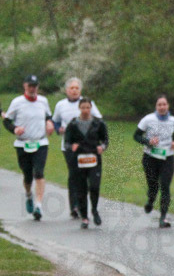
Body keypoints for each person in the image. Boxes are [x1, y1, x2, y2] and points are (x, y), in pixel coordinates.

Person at [4, 75, 55, 220]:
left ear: (37, 87)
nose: (33, 88)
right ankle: (28, 194)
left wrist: (49, 123)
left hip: (40, 142)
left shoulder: (43, 101)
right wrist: (15, 129)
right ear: (25, 86)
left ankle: (38, 205)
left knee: (39, 172)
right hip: (23, 143)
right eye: (30, 86)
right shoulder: (17, 102)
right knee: (27, 175)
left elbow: (48, 116)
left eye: (35, 86)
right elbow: (7, 121)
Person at [52, 78, 103, 220]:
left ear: (80, 90)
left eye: (77, 88)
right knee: (74, 174)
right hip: (70, 146)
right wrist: (58, 128)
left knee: (87, 175)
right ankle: (74, 206)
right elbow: (55, 120)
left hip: (88, 146)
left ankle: (84, 205)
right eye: (71, 88)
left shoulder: (87, 104)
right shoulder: (60, 105)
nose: (74, 90)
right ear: (67, 90)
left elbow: (99, 119)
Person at [64, 97, 109, 229]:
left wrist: (103, 147)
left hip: (94, 159)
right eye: (83, 108)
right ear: (79, 108)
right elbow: (67, 141)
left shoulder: (98, 123)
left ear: (91, 108)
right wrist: (71, 147)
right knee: (81, 189)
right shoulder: (73, 124)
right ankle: (84, 217)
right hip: (78, 160)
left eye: (87, 108)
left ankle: (94, 210)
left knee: (94, 186)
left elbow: (105, 140)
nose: (85, 110)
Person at [135, 95, 174, 229]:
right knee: (153, 185)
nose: (162, 107)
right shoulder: (148, 119)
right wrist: (148, 142)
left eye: (164, 104)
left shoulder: (173, 120)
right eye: (159, 105)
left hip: (167, 158)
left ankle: (163, 217)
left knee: (165, 186)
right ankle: (150, 200)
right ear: (156, 107)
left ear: (168, 106)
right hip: (150, 158)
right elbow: (136, 136)